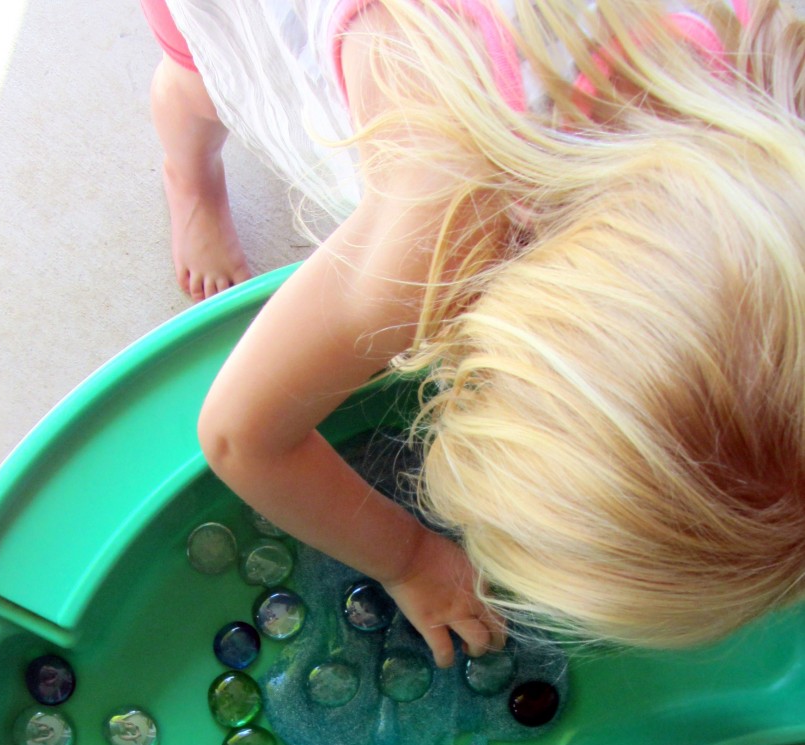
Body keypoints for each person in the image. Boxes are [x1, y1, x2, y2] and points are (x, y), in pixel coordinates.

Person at [143, 0, 805, 667]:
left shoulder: (772, 90)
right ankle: (190, 175)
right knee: (200, 82)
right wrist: (407, 558)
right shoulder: (437, 240)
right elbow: (240, 437)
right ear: (491, 379)